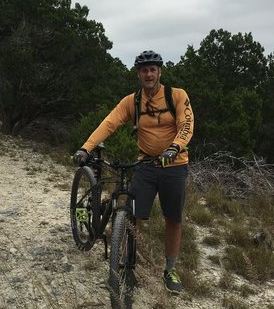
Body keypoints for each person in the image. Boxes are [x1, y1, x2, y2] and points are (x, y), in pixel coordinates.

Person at [73, 50, 194, 294]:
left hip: (174, 164)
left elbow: (187, 124)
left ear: (159, 72)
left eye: (152, 69)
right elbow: (109, 122)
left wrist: (174, 147)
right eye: (144, 70)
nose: (148, 74)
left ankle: (170, 269)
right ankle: (128, 263)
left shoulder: (177, 96)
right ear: (138, 74)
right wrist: (86, 148)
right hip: (146, 165)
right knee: (132, 216)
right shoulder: (133, 101)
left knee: (173, 219)